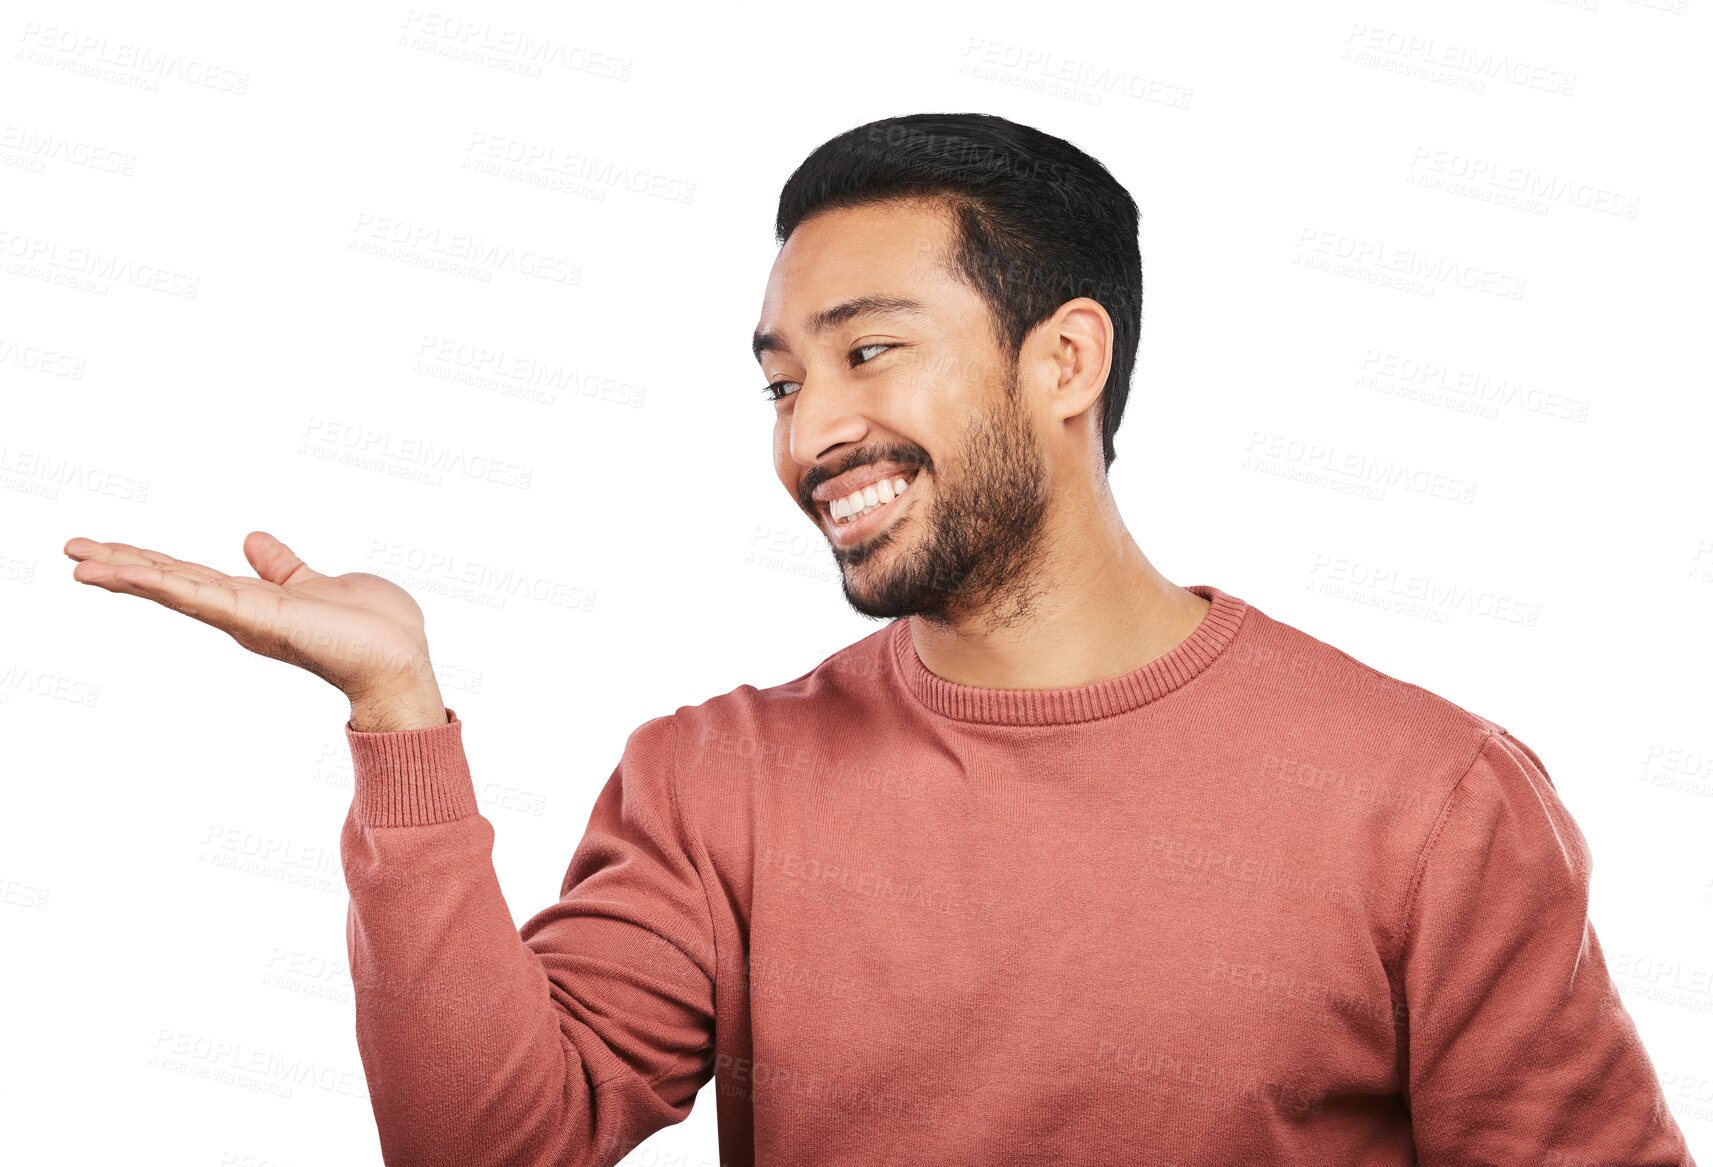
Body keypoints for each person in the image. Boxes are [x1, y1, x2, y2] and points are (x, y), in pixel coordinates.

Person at [64, 113, 1695, 1166]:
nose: (809, 433)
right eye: (782, 381)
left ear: (1063, 362)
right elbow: (494, 1148)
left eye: (868, 354)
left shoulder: (1425, 793)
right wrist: (399, 720)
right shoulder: (714, 778)